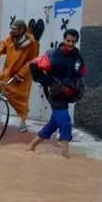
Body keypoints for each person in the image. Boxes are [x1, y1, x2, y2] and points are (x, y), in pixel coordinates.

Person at [27, 29, 87, 158]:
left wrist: (75, 87)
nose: (70, 44)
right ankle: (65, 156)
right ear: (64, 39)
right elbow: (33, 65)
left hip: (67, 94)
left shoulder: (77, 57)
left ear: (76, 41)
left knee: (54, 123)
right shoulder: (53, 54)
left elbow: (80, 73)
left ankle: (31, 147)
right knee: (65, 121)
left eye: (73, 41)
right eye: (68, 40)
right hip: (53, 92)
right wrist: (46, 81)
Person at [0, 20, 40, 133]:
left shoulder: (32, 43)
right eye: (11, 28)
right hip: (7, 70)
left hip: (22, 75)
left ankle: (23, 121)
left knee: (21, 99)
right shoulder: (8, 39)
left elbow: (32, 61)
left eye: (14, 29)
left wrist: (20, 74)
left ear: (21, 30)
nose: (11, 31)